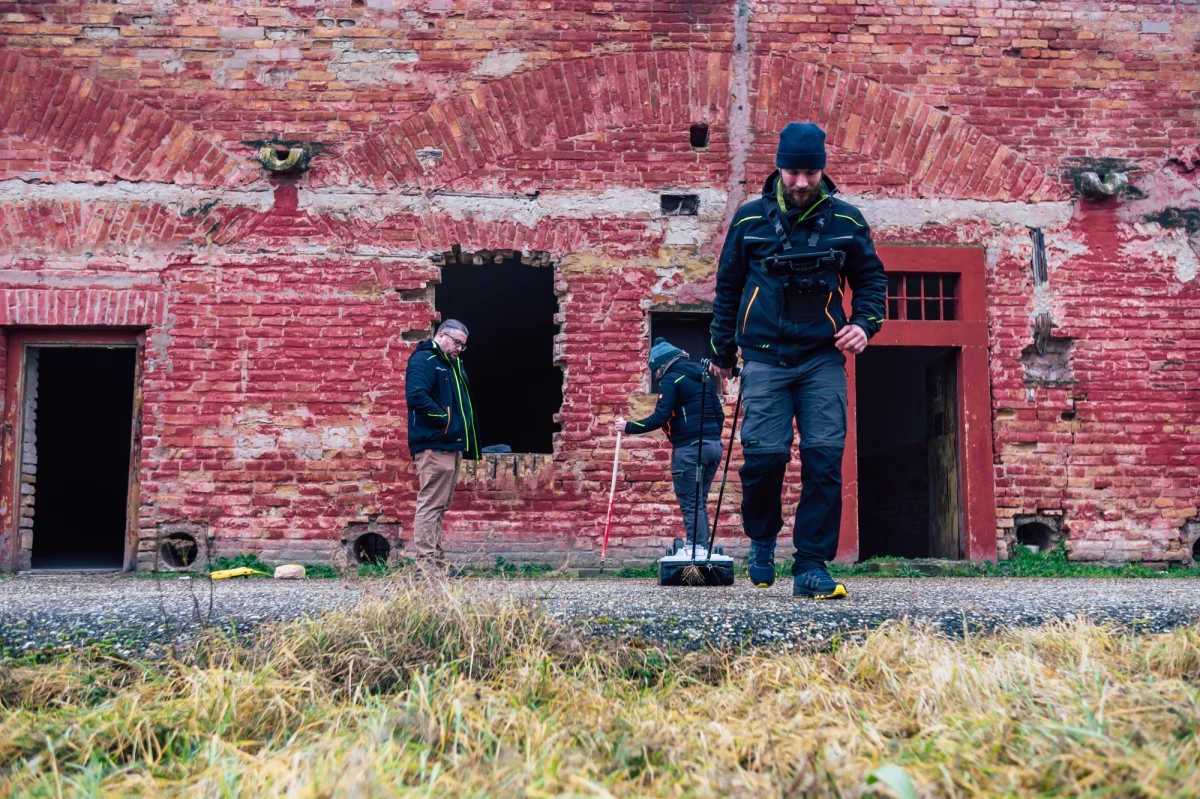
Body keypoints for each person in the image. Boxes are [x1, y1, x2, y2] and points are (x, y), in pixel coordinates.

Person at [708, 121, 888, 599]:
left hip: (822, 358)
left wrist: (864, 325)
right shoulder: (749, 221)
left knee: (824, 459)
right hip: (764, 359)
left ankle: (811, 564)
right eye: (793, 173)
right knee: (764, 460)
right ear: (779, 168)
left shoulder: (847, 222)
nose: (802, 183)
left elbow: (872, 280)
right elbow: (726, 290)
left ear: (822, 170)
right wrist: (722, 354)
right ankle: (762, 539)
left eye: (810, 173)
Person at [616, 337, 725, 550]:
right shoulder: (703, 375)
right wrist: (708, 437)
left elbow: (660, 417)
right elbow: (719, 415)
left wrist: (627, 427)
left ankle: (696, 549)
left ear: (662, 364)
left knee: (691, 502)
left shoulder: (671, 378)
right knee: (699, 501)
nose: (657, 376)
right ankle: (701, 547)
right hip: (714, 447)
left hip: (689, 449)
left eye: (656, 371)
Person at [405, 319, 480, 576]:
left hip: (450, 445)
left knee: (440, 505)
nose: (459, 348)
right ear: (441, 335)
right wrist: (446, 422)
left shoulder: (452, 364)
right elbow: (416, 396)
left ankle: (436, 560)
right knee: (430, 504)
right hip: (434, 445)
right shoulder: (425, 360)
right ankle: (426, 565)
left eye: (463, 345)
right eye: (456, 342)